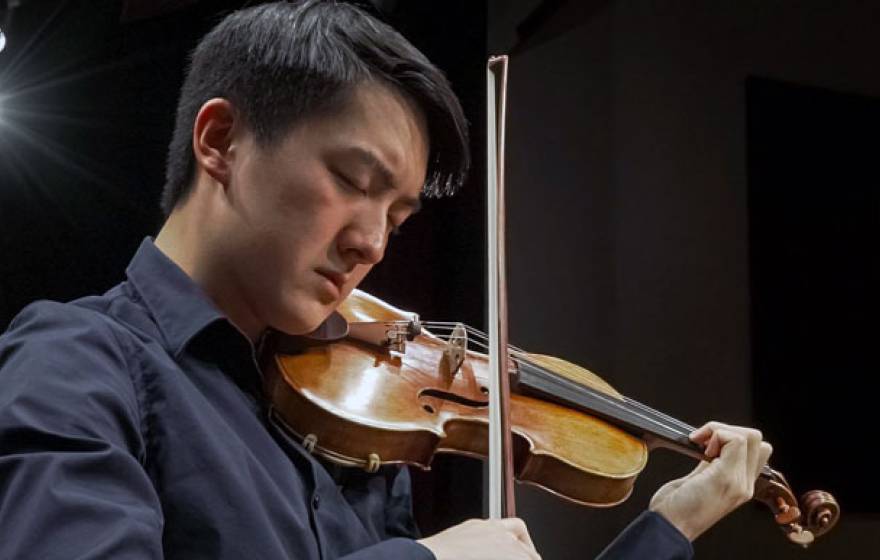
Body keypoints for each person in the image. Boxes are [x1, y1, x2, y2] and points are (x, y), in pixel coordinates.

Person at [0, 2, 772, 559]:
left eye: (398, 218)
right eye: (351, 179)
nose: (371, 243)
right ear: (222, 140)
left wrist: (668, 528)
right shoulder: (76, 360)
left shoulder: (347, 428)